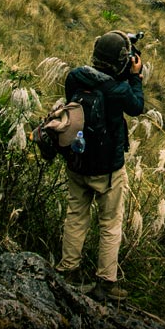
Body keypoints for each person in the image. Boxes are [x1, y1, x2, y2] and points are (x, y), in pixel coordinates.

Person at [56, 30, 144, 303]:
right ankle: (105, 283)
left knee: (76, 215)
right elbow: (136, 106)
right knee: (110, 223)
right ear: (120, 61)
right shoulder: (119, 89)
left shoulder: (74, 77)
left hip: (77, 160)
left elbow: (96, 89)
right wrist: (134, 77)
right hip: (107, 169)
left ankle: (67, 270)